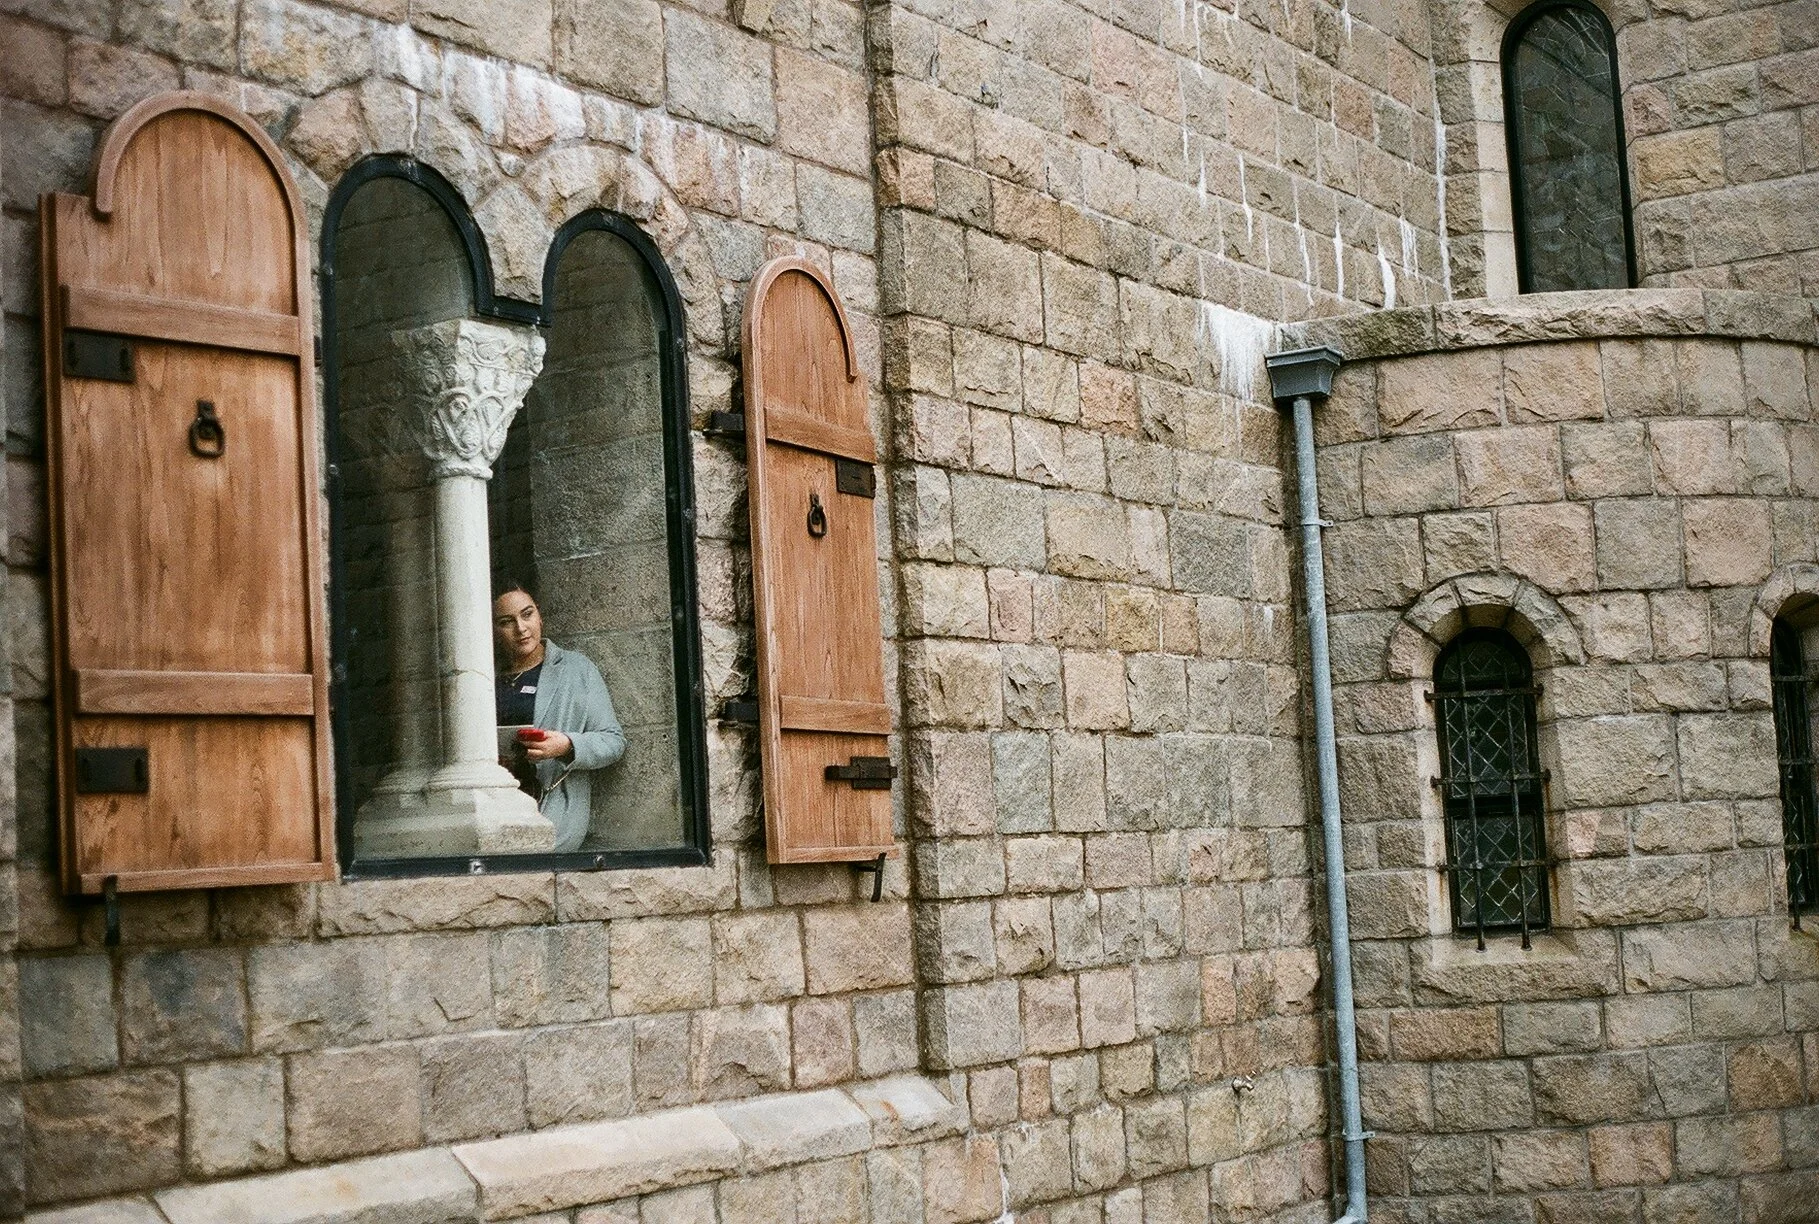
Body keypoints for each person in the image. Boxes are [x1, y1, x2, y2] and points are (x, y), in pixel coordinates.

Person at [493, 580, 625, 852]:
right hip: (495, 812)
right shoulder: (486, 677)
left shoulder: (576, 669)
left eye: (527, 614)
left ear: (539, 616)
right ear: (494, 630)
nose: (521, 628)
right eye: (506, 622)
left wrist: (566, 745)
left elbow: (613, 741)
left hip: (551, 812)